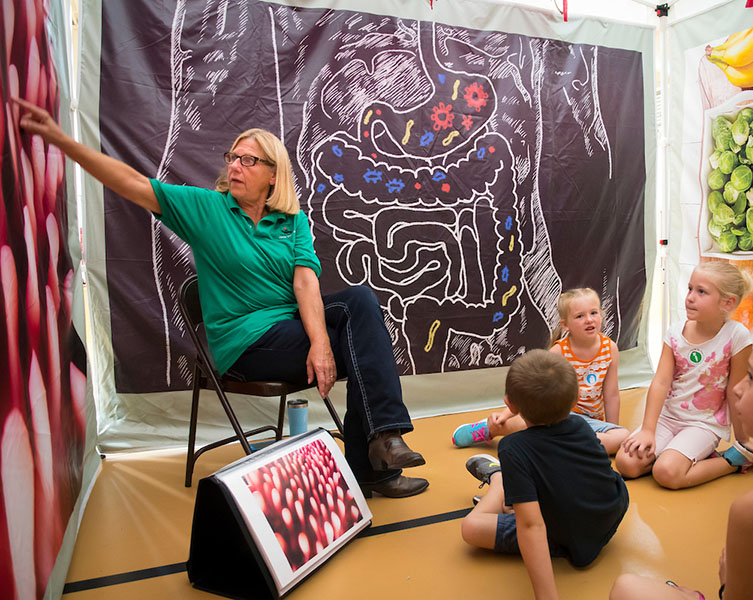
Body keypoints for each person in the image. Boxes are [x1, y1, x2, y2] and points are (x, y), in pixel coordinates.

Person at [14, 97, 428, 498]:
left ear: (273, 174)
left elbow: (305, 283)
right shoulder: (207, 210)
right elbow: (134, 184)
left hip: (293, 330)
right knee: (363, 349)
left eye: (248, 160)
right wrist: (61, 140)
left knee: (360, 303)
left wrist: (320, 343)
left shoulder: (292, 220)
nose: (235, 165)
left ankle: (381, 446)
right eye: (233, 157)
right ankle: (377, 461)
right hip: (247, 344)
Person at [609, 308, 753, 600]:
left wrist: (727, 584)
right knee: (631, 461)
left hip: (701, 426)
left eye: (751, 377)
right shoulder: (676, 332)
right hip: (670, 422)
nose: (736, 390)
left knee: (625, 589)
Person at [461, 349, 629, 599]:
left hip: (564, 535)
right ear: (574, 403)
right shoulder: (581, 425)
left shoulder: (512, 448)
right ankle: (510, 491)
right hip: (610, 513)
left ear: (510, 405)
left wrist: (547, 596)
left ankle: (498, 480)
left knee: (471, 527)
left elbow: (531, 526)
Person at [615, 262, 753, 489]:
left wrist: (743, 441)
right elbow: (661, 383)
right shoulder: (675, 332)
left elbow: (736, 391)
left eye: (701, 291)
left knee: (667, 473)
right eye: (690, 288)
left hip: (703, 424)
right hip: (668, 417)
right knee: (626, 464)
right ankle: (679, 453)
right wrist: (648, 430)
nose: (690, 297)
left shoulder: (737, 336)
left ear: (728, 302)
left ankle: (732, 461)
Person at [452, 287, 630, 454]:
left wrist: (612, 428)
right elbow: (532, 392)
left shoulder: (610, 348)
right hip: (557, 418)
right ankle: (490, 428)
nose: (589, 319)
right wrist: (505, 415)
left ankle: (564, 443)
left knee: (623, 437)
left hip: (591, 423)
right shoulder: (558, 352)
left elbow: (612, 394)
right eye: (580, 316)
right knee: (526, 423)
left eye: (594, 313)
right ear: (565, 325)